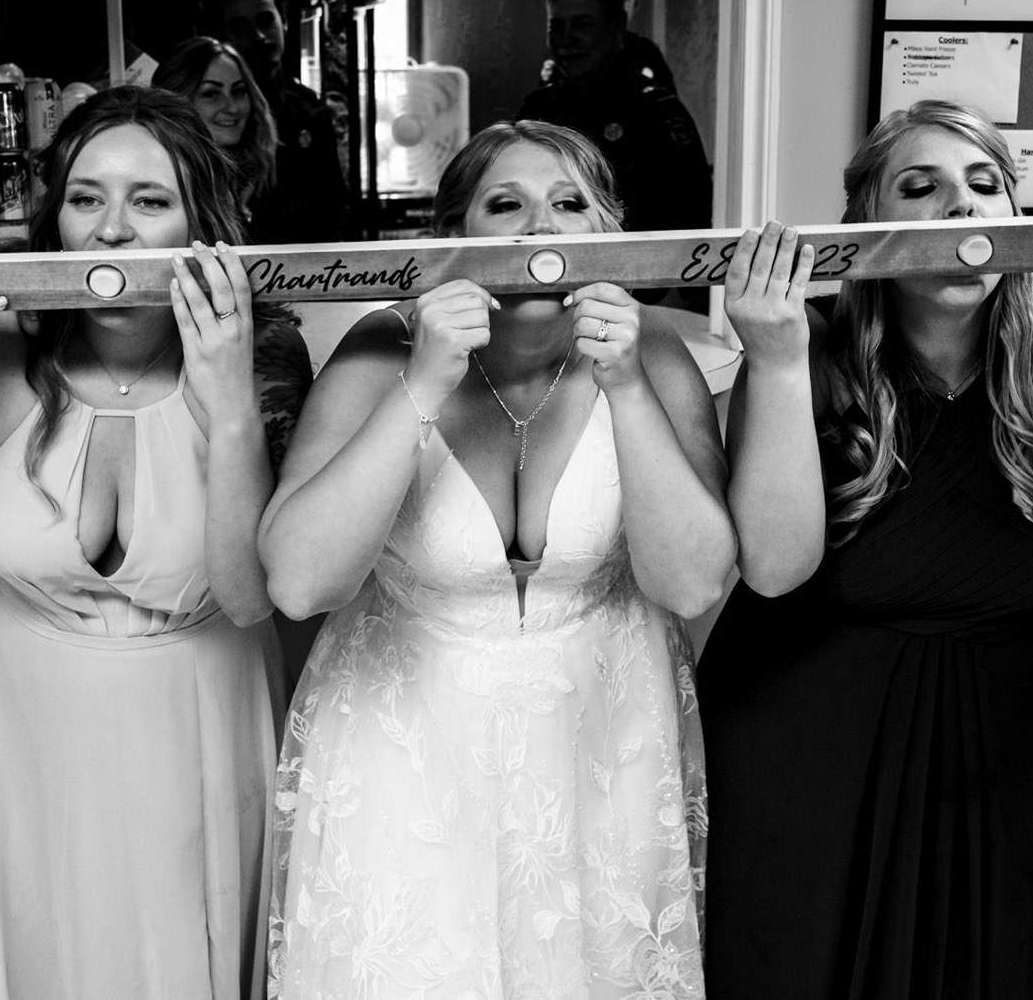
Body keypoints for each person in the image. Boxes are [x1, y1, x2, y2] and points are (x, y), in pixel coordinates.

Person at [696, 100, 1033, 1000]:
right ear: (867, 223)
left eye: (986, 185)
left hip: (1007, 743)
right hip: (805, 738)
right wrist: (776, 362)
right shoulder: (804, 344)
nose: (963, 208)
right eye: (923, 188)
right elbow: (772, 565)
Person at [0, 86, 311, 1000]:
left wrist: (231, 408)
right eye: (88, 199)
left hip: (198, 719)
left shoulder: (265, 361)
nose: (114, 232)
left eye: (150, 201)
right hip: (18, 726)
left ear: (200, 225)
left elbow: (252, 599)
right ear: (54, 218)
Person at [260, 119, 734, 998]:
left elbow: (694, 581)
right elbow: (298, 582)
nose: (539, 230)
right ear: (455, 235)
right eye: (506, 204)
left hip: (602, 753)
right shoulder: (380, 348)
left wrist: (626, 384)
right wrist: (425, 382)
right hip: (404, 764)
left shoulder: (658, 354)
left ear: (609, 236)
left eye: (568, 205)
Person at [520, 0, 711, 232]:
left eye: (582, 25)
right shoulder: (539, 108)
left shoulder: (654, 111)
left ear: (617, 26)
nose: (566, 39)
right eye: (557, 26)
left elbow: (689, 225)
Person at [210, 0, 349, 243]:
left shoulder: (310, 110)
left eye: (266, 20)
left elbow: (334, 207)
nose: (259, 36)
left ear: (284, 22)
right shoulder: (216, 114)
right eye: (240, 26)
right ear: (223, 36)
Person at [157, 34, 279, 225]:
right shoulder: (160, 187)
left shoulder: (262, 177)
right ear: (176, 102)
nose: (232, 107)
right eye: (211, 94)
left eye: (239, 91)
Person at [599, 0, 679, 94]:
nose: (616, 5)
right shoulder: (577, 50)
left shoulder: (647, 53)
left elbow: (669, 108)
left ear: (635, 5)